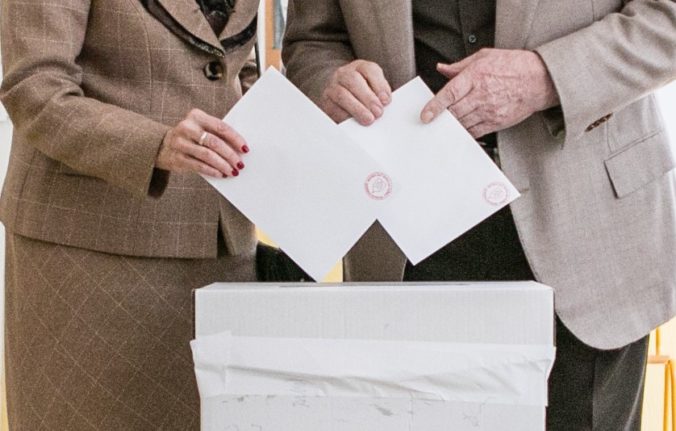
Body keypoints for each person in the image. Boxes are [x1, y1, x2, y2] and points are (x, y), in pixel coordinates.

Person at [282, 1, 676, 429]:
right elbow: (312, 42)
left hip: (588, 234)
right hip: (404, 245)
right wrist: (332, 83)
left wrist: (546, 77)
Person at [1, 0, 260, 429]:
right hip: (90, 249)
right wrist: (154, 143)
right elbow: (34, 86)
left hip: (225, 246)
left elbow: (235, 61)